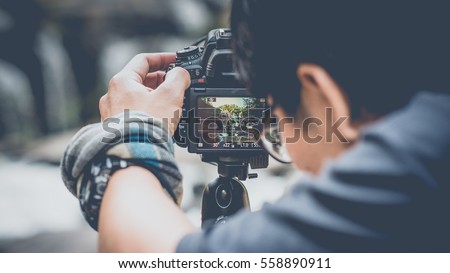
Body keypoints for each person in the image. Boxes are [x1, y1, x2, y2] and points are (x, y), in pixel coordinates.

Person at [61, 1, 450, 252]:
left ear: (323, 92)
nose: (270, 133)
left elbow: (148, 257)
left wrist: (132, 128)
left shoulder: (402, 179)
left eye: (275, 117)